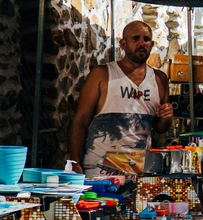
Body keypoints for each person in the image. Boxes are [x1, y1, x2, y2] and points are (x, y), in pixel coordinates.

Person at [70, 21, 173, 176]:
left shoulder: (159, 79)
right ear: (123, 44)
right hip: (100, 168)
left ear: (151, 44)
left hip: (140, 168)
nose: (142, 43)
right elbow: (81, 119)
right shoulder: (102, 74)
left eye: (146, 39)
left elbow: (160, 127)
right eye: (135, 38)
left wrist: (166, 116)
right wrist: (75, 161)